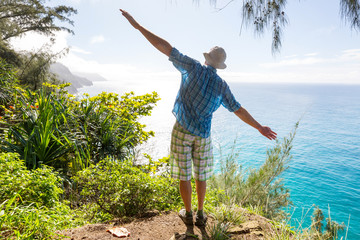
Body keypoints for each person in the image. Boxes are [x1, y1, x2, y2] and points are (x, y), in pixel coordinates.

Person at [120, 9, 277, 228]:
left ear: (207, 59)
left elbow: (165, 47)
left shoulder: (192, 67)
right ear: (219, 64)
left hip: (182, 129)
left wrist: (138, 26)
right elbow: (238, 109)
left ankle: (188, 213)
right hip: (203, 136)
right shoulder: (222, 86)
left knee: (184, 176)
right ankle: (201, 214)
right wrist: (259, 127)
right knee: (200, 176)